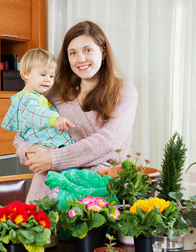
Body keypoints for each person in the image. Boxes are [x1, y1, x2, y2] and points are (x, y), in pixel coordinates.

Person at [14, 20, 138, 203]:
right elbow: (21, 135)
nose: (80, 59)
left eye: (87, 50)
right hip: (49, 187)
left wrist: (54, 158)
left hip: (99, 187)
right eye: (73, 53)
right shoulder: (54, 94)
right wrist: (32, 151)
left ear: (103, 52)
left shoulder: (124, 92)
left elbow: (109, 141)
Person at [2, 48, 76, 148]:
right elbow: (36, 112)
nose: (48, 80)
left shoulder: (38, 96)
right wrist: (55, 119)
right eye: (43, 74)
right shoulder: (26, 99)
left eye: (51, 76)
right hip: (44, 144)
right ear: (26, 74)